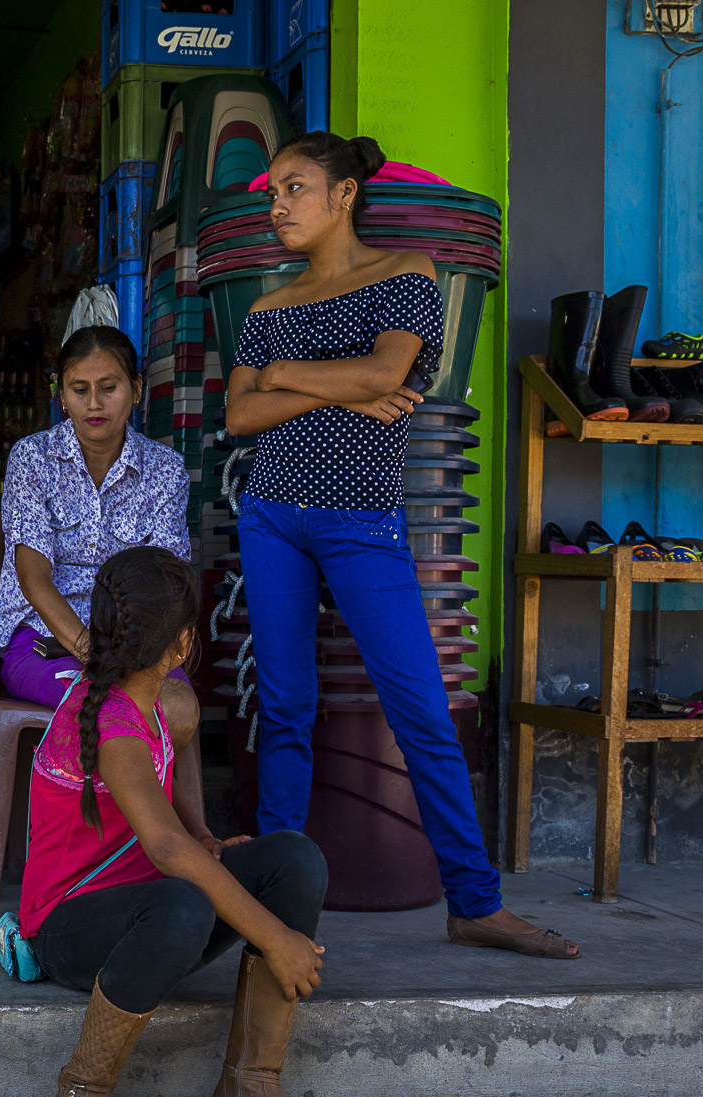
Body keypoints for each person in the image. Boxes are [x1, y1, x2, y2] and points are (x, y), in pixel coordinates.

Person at [224, 131, 577, 958]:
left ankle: (475, 901)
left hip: (361, 519)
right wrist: (329, 386)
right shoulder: (268, 307)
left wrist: (285, 378)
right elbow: (239, 417)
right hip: (271, 511)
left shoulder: (407, 276)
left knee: (420, 710)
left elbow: (388, 377)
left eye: (294, 188)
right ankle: (275, 899)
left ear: (344, 194)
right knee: (284, 709)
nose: (277, 206)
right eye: (272, 192)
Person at [25, 547, 330, 1097]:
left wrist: (206, 836)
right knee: (182, 903)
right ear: (184, 642)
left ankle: (250, 1087)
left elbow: (171, 816)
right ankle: (82, 1088)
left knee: (294, 860)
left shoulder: (155, 696)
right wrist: (277, 938)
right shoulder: (111, 720)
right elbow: (164, 849)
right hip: (68, 925)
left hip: (143, 901)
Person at [0, 324, 205, 816]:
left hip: (138, 640)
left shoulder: (165, 469)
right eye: (79, 389)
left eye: (108, 388)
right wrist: (94, 654)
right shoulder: (33, 459)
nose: (94, 404)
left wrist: (131, 653)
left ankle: (163, 837)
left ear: (135, 389)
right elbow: (33, 578)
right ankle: (125, 842)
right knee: (123, 707)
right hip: (44, 639)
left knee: (178, 705)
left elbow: (167, 582)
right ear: (60, 394)